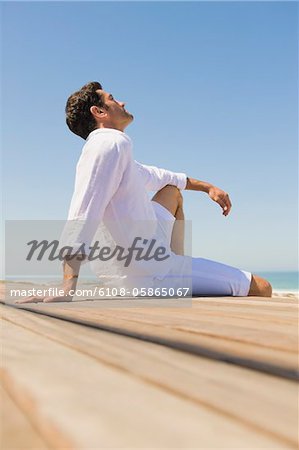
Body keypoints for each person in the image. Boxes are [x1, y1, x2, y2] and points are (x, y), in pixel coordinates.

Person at [17, 81, 272, 304]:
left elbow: (160, 176)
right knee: (262, 287)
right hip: (149, 275)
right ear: (100, 112)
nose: (122, 101)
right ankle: (178, 273)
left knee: (171, 191)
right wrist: (67, 288)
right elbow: (83, 212)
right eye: (112, 99)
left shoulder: (113, 149)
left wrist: (207, 187)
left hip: (131, 263)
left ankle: (178, 263)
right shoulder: (110, 143)